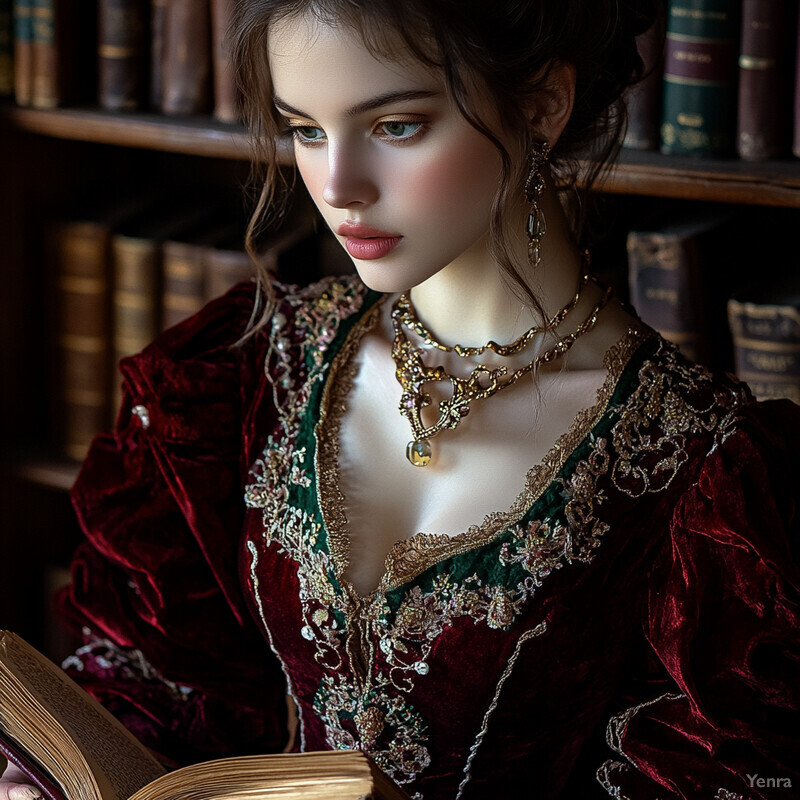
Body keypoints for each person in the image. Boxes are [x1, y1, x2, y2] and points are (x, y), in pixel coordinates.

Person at [3, 1, 800, 798]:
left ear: (540, 108)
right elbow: (161, 680)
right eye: (306, 130)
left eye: (395, 127)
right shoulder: (252, 372)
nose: (338, 185)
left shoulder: (700, 469)